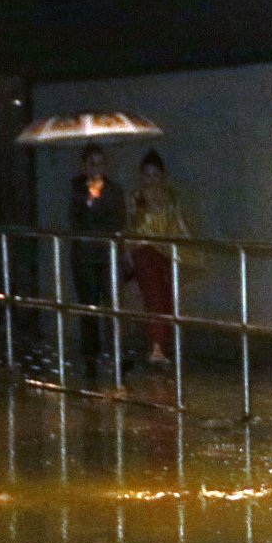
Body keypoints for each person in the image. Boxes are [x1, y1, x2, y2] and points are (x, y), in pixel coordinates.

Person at [126, 149, 193, 369]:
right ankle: (156, 347)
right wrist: (129, 252)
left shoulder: (171, 197)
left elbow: (179, 224)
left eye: (155, 174)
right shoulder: (137, 197)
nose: (150, 179)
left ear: (162, 176)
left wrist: (186, 248)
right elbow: (131, 226)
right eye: (146, 174)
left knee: (166, 297)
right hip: (144, 252)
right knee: (153, 297)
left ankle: (163, 344)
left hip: (167, 252)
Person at [68, 144, 128, 384]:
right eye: (91, 164)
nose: (96, 168)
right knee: (89, 307)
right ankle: (90, 357)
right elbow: (74, 220)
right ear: (84, 166)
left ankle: (117, 354)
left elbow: (120, 221)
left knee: (113, 307)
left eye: (99, 163)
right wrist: (89, 201)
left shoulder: (115, 190)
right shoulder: (77, 189)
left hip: (108, 254)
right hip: (84, 256)